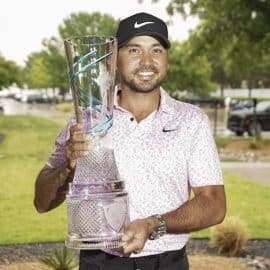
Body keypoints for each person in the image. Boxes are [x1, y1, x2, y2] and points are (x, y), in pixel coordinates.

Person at [34, 12, 226, 270]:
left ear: (166, 58)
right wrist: (67, 167)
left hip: (167, 263)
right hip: (100, 263)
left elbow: (214, 205)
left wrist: (153, 224)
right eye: (134, 50)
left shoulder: (191, 121)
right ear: (113, 59)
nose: (147, 61)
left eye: (156, 50)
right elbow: (42, 203)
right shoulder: (88, 121)